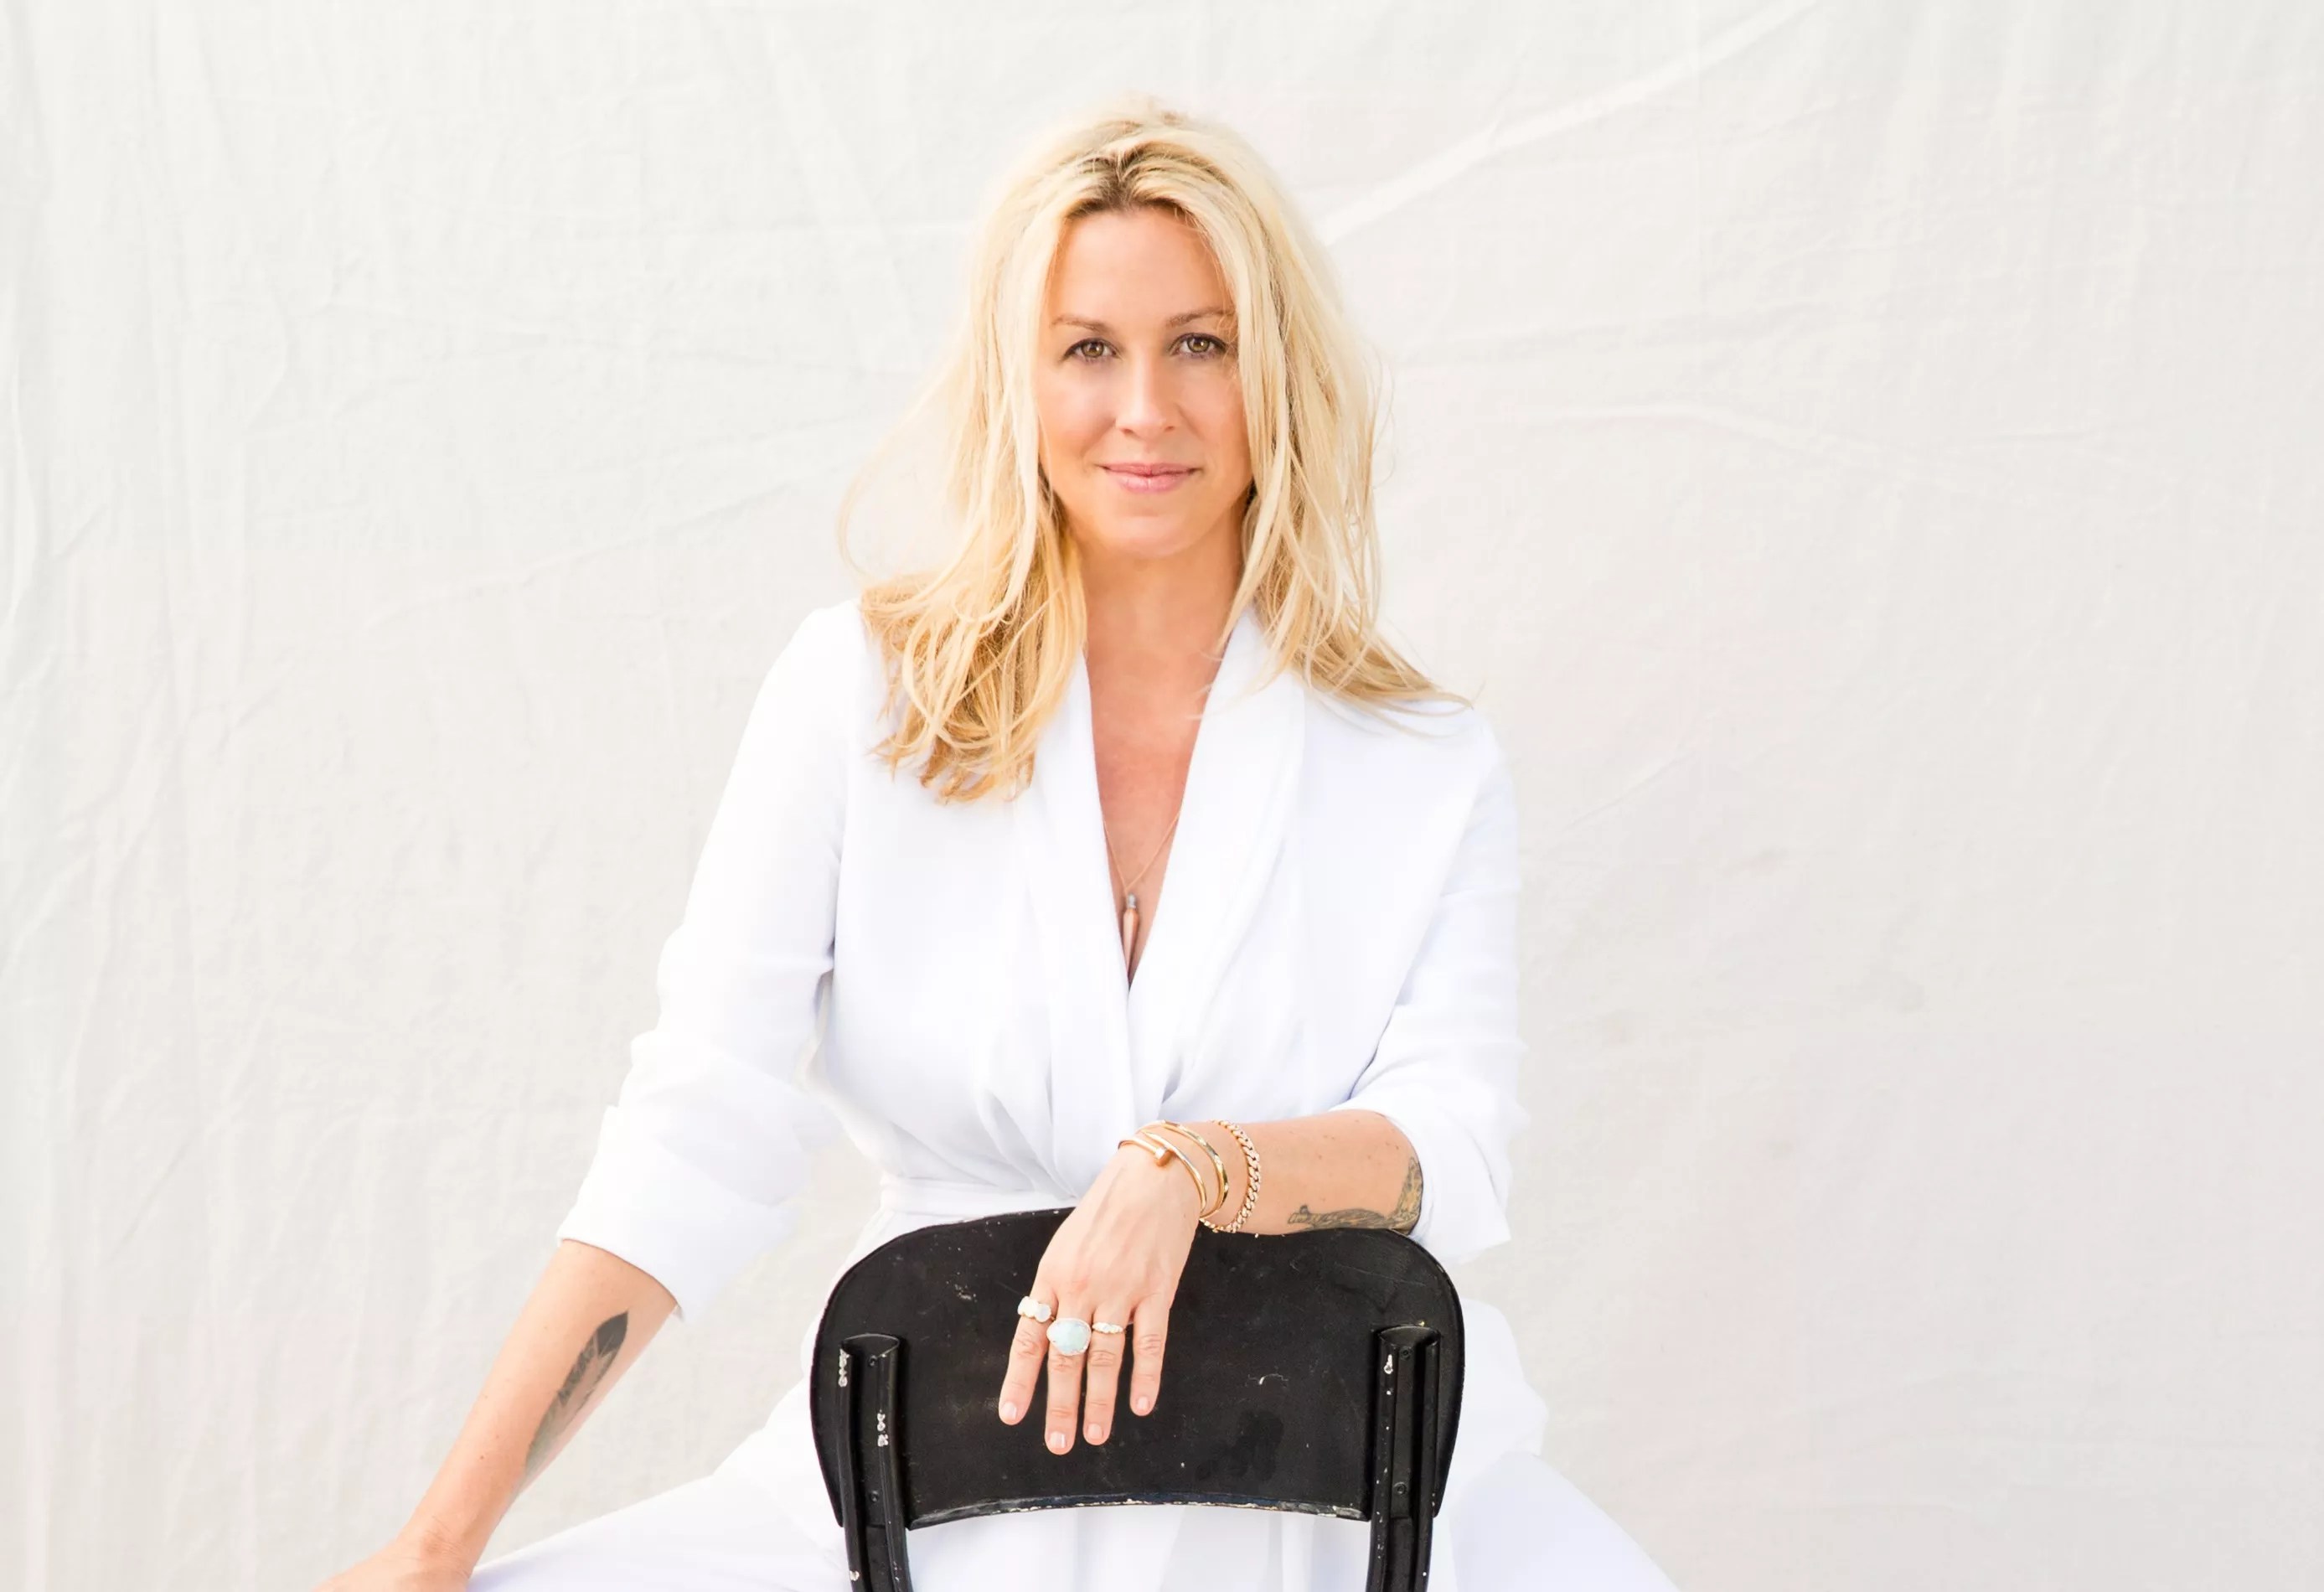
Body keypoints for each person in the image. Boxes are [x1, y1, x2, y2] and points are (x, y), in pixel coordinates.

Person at [315, 95, 1681, 1592]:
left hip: (1346, 1492)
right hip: (932, 1479)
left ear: (1277, 373)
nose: (1144, 408)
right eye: (1087, 348)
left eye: (1202, 343)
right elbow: (694, 1131)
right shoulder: (861, 698)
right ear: (1016, 380)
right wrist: (434, 1544)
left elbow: (1451, 1146)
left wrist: (1189, 1172)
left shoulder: (1418, 761)